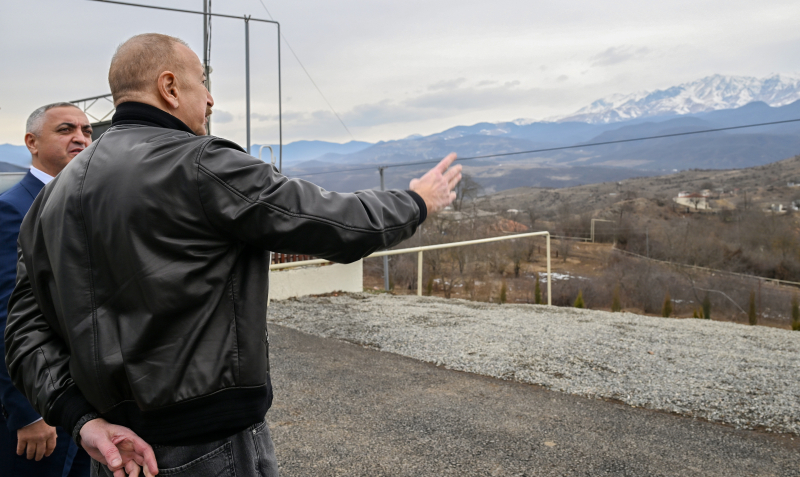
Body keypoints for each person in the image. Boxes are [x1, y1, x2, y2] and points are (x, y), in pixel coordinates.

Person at [6, 33, 461, 477]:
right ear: (168, 87)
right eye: (202, 81)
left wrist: (80, 419)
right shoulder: (200, 164)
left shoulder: (51, 198)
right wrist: (418, 200)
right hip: (209, 447)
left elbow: (24, 329)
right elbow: (338, 224)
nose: (209, 99)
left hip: (112, 450)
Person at [0, 103, 93, 477]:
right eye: (66, 129)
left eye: (87, 131)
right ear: (31, 142)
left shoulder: (88, 203)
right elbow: (7, 315)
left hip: (87, 408)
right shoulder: (11, 211)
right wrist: (29, 412)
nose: (81, 138)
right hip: (42, 410)